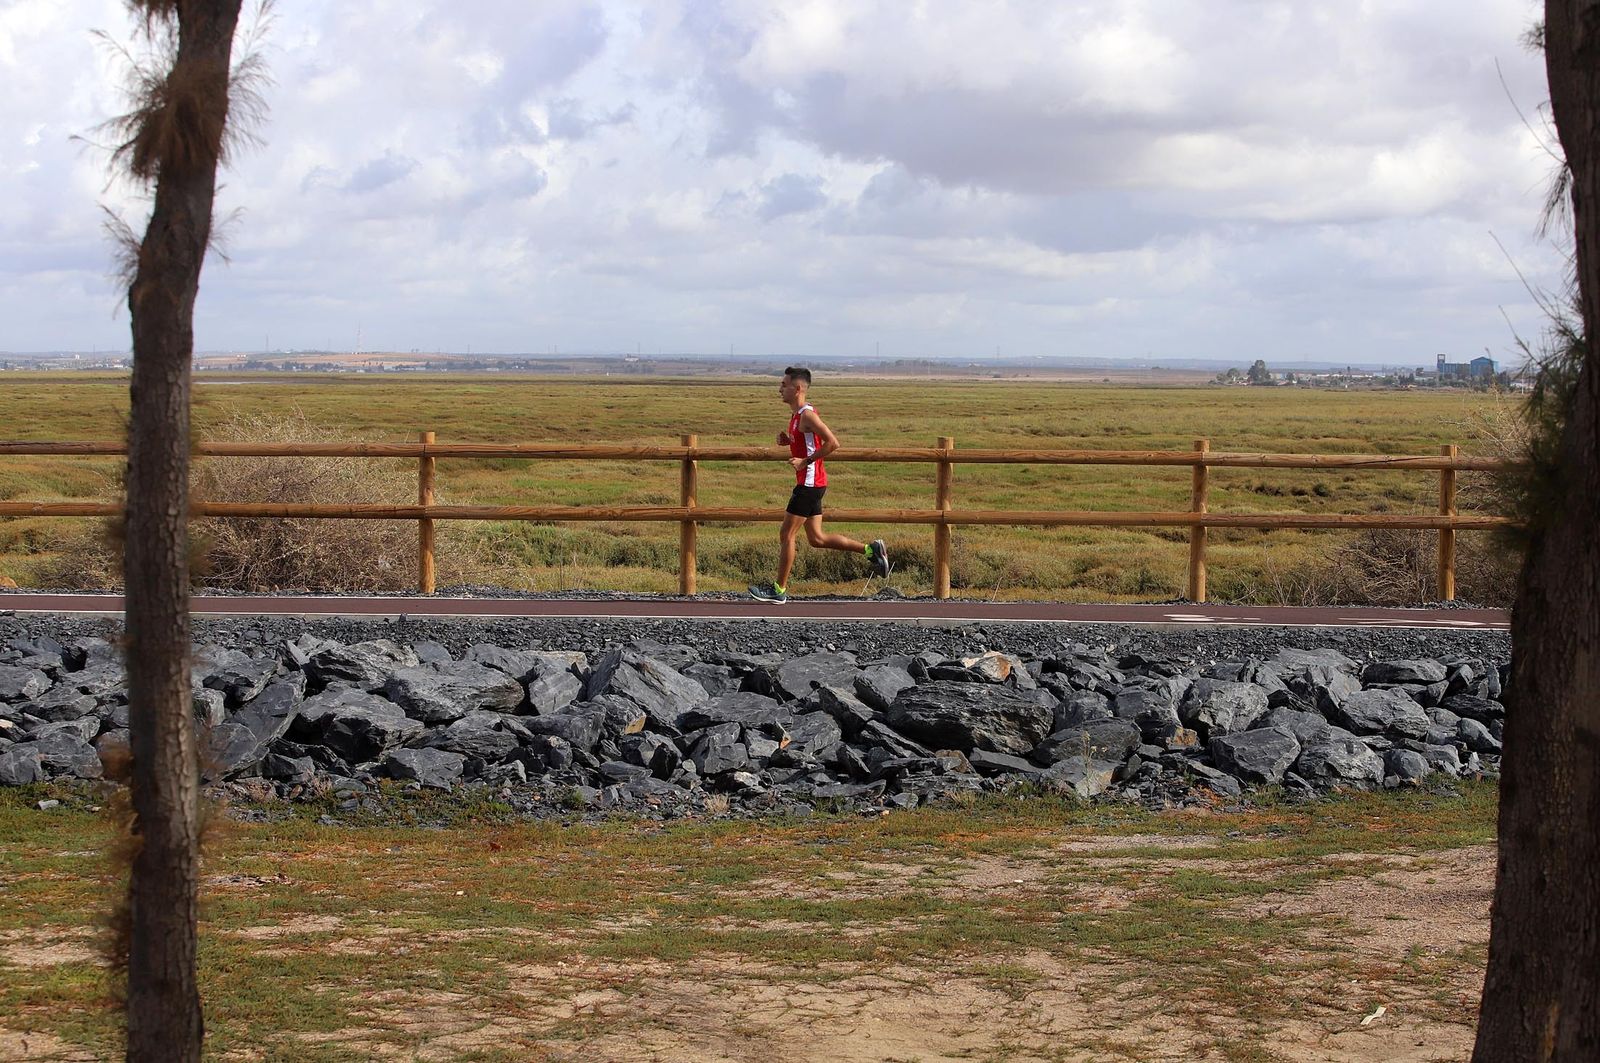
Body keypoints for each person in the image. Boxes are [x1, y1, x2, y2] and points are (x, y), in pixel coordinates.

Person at [749, 367, 889, 603]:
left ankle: (778, 591)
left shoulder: (807, 415)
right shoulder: (796, 416)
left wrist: (806, 461)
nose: (780, 389)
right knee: (817, 539)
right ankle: (870, 550)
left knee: (786, 534)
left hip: (810, 484)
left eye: (784, 385)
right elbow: (808, 442)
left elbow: (833, 443)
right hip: (813, 482)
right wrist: (789, 441)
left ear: (798, 388)